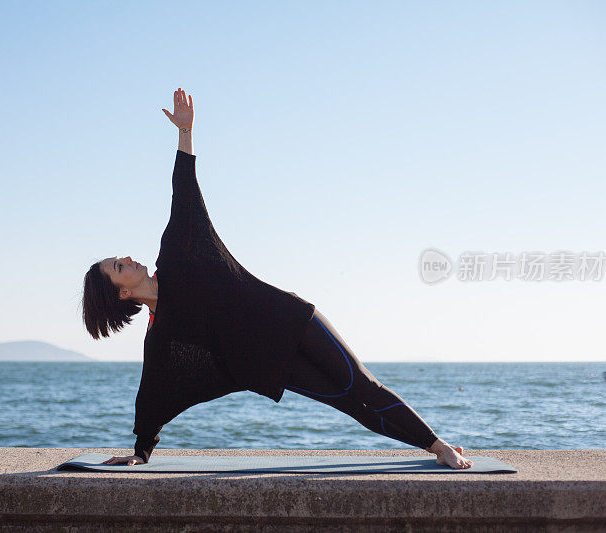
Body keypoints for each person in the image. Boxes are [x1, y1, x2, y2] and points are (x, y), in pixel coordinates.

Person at [81, 88, 473, 470]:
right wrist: (141, 452)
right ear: (123, 293)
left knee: (364, 386)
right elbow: (153, 394)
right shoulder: (163, 333)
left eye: (121, 258)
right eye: (119, 267)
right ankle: (432, 445)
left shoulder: (179, 249)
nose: (128, 259)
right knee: (352, 404)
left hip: (293, 320)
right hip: (273, 365)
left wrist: (185, 131)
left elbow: (184, 189)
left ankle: (437, 445)